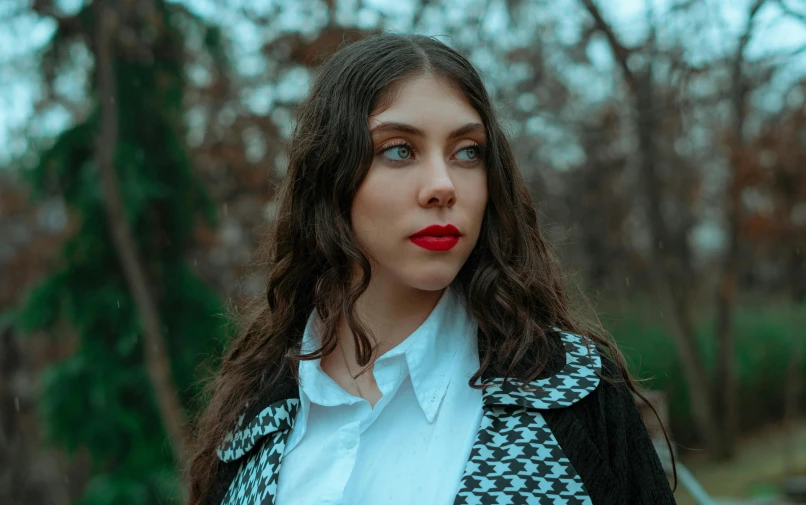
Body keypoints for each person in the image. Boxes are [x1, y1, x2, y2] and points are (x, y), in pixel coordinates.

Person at [186, 33, 677, 505]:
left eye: (468, 152)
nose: (442, 186)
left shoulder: (571, 395)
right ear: (330, 172)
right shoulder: (253, 418)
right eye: (399, 150)